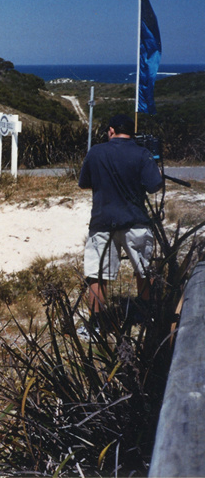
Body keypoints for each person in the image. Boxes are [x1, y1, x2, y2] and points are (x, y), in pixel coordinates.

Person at [78, 114, 163, 330]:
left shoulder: (96, 151)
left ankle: (95, 324)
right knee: (143, 269)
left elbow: (84, 183)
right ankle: (146, 315)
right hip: (135, 221)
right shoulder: (142, 153)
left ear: (111, 131)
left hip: (102, 222)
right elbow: (154, 186)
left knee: (98, 273)